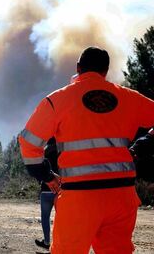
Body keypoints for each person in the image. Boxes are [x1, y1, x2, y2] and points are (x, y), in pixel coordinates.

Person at [18, 47, 154, 254]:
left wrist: (47, 176)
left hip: (79, 198)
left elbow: (28, 144)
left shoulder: (58, 100)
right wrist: (143, 144)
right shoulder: (129, 98)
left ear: (78, 68)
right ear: (106, 71)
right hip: (121, 196)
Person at [35, 137, 58, 250]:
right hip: (59, 189)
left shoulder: (43, 151)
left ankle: (47, 242)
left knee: (45, 217)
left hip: (45, 189)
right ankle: (59, 245)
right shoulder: (62, 150)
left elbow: (38, 169)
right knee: (61, 219)